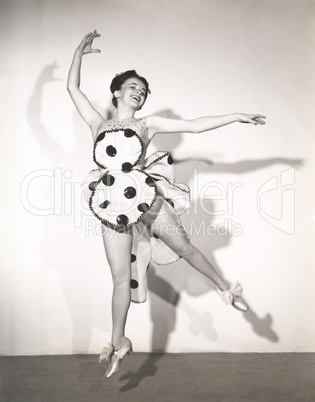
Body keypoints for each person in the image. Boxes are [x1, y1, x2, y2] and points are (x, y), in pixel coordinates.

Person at [67, 30, 266, 379]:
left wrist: (236, 115)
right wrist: (78, 53)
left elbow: (193, 126)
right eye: (133, 86)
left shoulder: (148, 124)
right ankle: (119, 341)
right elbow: (72, 89)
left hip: (144, 197)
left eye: (143, 91)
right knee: (119, 279)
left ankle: (225, 290)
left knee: (185, 247)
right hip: (112, 205)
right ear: (117, 92)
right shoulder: (98, 123)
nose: (139, 92)